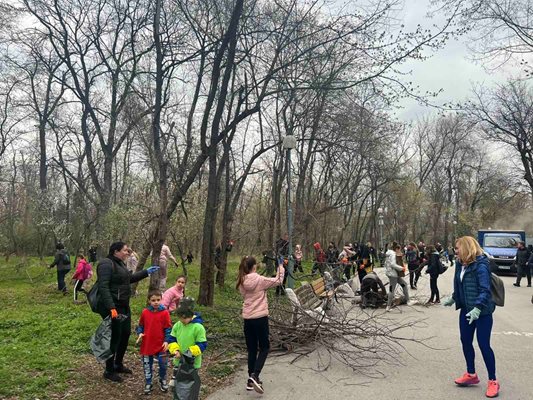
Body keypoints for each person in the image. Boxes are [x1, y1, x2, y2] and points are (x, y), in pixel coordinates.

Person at [443, 236, 499, 398]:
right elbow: (458, 284)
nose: (456, 250)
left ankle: (493, 380)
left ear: (467, 248)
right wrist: (454, 297)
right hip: (466, 310)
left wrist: (477, 308)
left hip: (482, 312)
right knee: (466, 342)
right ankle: (471, 374)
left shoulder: (481, 265)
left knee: (483, 345)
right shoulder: (460, 264)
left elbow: (484, 290)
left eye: (458, 247)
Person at [96, 241, 159, 383]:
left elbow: (128, 279)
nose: (128, 253)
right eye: (125, 250)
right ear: (116, 251)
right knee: (114, 337)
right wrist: (111, 307)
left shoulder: (120, 263)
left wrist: (146, 272)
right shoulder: (106, 264)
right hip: (113, 308)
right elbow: (103, 287)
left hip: (124, 306)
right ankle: (109, 370)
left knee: (125, 334)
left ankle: (118, 364)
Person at [236, 256, 285, 394]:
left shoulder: (241, 281)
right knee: (264, 347)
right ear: (254, 267)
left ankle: (250, 382)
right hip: (260, 318)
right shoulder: (260, 280)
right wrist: (280, 266)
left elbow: (245, 294)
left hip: (248, 319)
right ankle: (255, 375)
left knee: (252, 349)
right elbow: (279, 280)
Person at [168, 297, 207, 400]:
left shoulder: (198, 327)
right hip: (178, 362)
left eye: (184, 318)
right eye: (180, 317)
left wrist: (188, 353)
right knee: (177, 387)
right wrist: (175, 350)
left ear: (191, 315)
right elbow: (172, 340)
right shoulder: (177, 325)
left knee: (190, 388)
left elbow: (202, 344)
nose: (182, 320)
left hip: (192, 364)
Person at [136, 290, 172, 395]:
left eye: (158, 300)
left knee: (163, 363)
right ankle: (148, 382)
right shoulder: (145, 312)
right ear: (149, 301)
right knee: (147, 364)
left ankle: (162, 379)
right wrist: (140, 333)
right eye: (153, 300)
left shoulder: (165, 312)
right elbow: (141, 325)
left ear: (161, 300)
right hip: (147, 343)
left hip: (161, 344)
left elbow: (168, 328)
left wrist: (166, 341)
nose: (156, 302)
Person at [384, 243, 413, 311]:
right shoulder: (393, 254)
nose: (399, 251)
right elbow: (393, 264)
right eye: (399, 250)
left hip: (392, 274)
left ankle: (408, 301)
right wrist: (401, 268)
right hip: (393, 275)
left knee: (404, 285)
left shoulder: (388, 254)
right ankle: (388, 306)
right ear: (396, 249)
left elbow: (386, 264)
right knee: (392, 290)